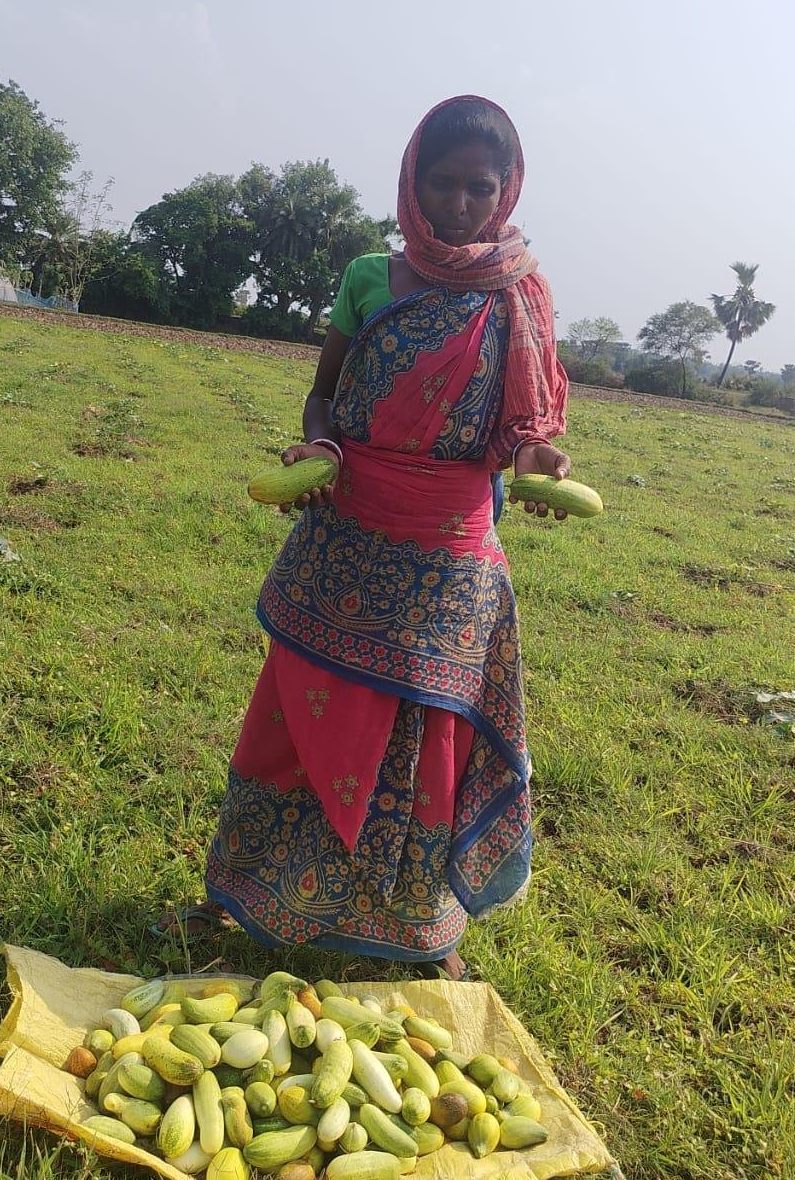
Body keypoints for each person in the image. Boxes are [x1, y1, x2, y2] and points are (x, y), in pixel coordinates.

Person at [162, 95, 572, 980]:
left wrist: (539, 459)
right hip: (345, 531)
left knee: (429, 738)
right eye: (443, 183)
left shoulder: (518, 294)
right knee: (296, 716)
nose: (460, 204)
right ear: (411, 181)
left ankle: (424, 930)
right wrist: (319, 447)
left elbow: (523, 427)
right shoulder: (369, 277)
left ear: (506, 190)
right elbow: (325, 394)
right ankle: (244, 892)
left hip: (450, 555)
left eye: (480, 187)